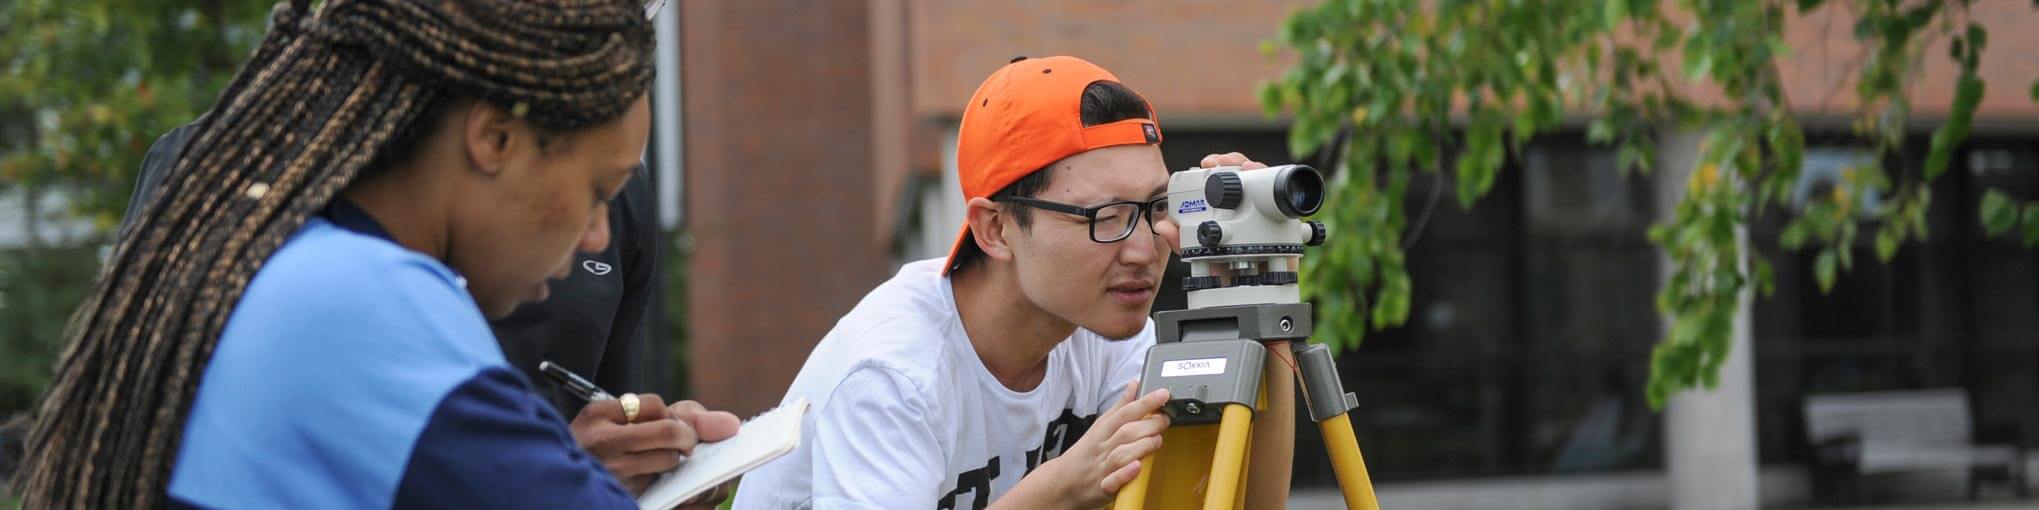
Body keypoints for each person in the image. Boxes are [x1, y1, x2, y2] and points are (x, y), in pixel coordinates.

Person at [14, 0, 732, 507]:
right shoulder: (370, 306)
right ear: (496, 139)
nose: (600, 235)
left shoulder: (291, 259)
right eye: (595, 190)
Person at [733, 55, 1295, 510]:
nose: (1144, 249)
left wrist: (1256, 299)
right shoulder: (894, 376)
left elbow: (1238, 503)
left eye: (1153, 207)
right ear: (995, 229)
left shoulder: (1103, 332)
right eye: (1103, 217)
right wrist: (1052, 493)